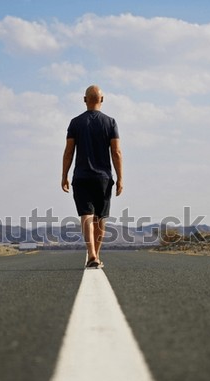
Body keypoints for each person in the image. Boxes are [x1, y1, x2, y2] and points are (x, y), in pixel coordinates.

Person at [61, 85, 123, 268]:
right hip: (103, 178)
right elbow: (116, 152)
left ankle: (92, 255)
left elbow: (68, 151)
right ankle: (96, 254)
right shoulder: (110, 122)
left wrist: (64, 176)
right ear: (102, 100)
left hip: (81, 177)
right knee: (100, 218)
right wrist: (120, 178)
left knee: (86, 216)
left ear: (84, 99)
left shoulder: (75, 123)